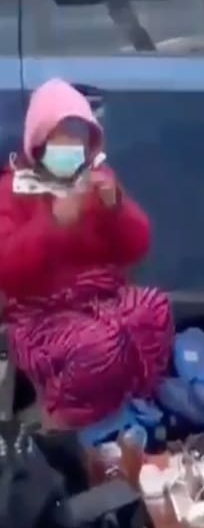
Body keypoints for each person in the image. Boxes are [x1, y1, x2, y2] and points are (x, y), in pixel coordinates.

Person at [0, 79, 173, 429]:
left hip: (102, 298)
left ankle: (136, 409)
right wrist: (52, 225)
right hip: (41, 313)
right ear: (39, 141)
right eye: (60, 136)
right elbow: (8, 268)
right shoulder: (14, 189)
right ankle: (66, 424)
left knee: (155, 309)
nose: (71, 145)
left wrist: (116, 209)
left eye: (77, 135)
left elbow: (138, 246)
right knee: (99, 346)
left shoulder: (98, 180)